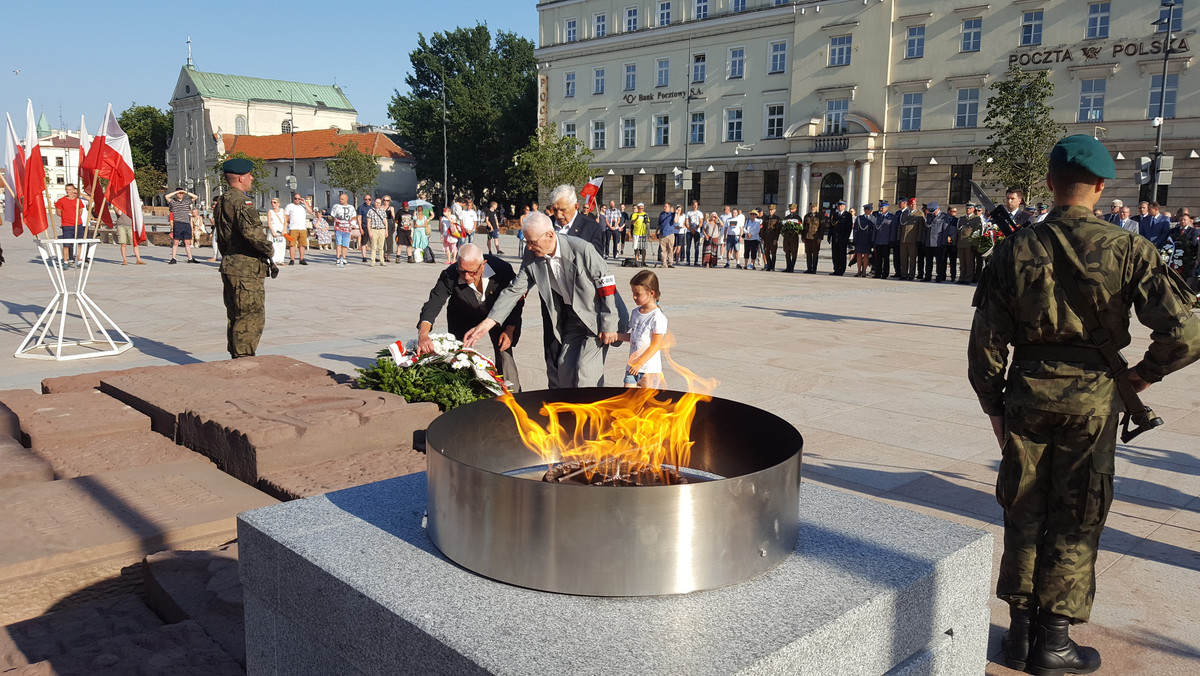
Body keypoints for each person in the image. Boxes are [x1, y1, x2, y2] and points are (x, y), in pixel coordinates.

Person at [969, 134, 1200, 675]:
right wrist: (1142, 375)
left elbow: (985, 344)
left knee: (1023, 508)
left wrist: (994, 407)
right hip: (1094, 401)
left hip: (1026, 397)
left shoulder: (1013, 248)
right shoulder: (1130, 249)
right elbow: (1187, 332)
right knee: (1079, 513)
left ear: (1048, 184)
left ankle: (1019, 635)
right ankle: (1054, 642)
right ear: (1100, 187)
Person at [464, 211, 626, 389]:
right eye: (527, 242)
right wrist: (487, 323)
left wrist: (609, 324)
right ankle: (569, 414)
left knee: (585, 372)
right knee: (564, 367)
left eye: (532, 242)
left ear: (550, 235)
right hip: (572, 320)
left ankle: (593, 415)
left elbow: (607, 285)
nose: (529, 247)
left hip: (598, 317)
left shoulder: (581, 249)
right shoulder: (532, 255)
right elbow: (515, 289)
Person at [417, 243, 523, 391]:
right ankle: (462, 391)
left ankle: (512, 395)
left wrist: (510, 329)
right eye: (462, 271)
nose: (466, 277)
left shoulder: (502, 270)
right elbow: (433, 303)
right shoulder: (450, 275)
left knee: (504, 350)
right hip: (462, 315)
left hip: (497, 315)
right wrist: (423, 334)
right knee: (459, 355)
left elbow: (516, 301)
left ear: (483, 265)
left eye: (471, 272)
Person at [213, 158, 274, 358]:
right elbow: (253, 234)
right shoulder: (242, 202)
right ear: (241, 178)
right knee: (250, 315)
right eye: (249, 175)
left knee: (235, 315)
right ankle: (244, 360)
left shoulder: (223, 200)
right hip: (245, 268)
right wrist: (269, 249)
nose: (252, 178)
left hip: (230, 263)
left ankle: (236, 357)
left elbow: (222, 237)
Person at [618, 270, 668, 389]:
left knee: (646, 404)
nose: (634, 297)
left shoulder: (657, 317)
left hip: (649, 371)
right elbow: (636, 336)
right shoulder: (635, 313)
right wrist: (617, 336)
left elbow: (656, 344)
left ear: (651, 293)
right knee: (628, 400)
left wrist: (640, 363)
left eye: (638, 294)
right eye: (633, 293)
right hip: (632, 367)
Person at [549, 184, 604, 253]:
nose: (558, 215)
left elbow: (596, 261)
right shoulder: (545, 223)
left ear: (576, 206)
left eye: (563, 210)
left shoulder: (591, 228)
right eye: (555, 210)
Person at [54, 184, 88, 265]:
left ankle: (79, 259)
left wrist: (75, 218)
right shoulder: (61, 200)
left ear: (74, 190)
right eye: (66, 189)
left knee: (79, 242)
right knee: (66, 244)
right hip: (67, 225)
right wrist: (66, 216)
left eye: (69, 189)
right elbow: (58, 212)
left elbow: (80, 211)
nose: (68, 191)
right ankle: (65, 260)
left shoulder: (78, 200)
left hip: (78, 224)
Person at [165, 188, 199, 264]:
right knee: (176, 242)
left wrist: (186, 192)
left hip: (186, 223)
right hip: (178, 223)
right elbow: (167, 196)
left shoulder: (186, 202)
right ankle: (173, 258)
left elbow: (195, 197)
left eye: (181, 193)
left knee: (187, 242)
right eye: (179, 193)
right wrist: (176, 192)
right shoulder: (173, 202)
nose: (180, 194)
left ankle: (190, 258)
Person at [955, 203, 982, 284]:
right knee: (962, 262)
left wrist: (974, 243)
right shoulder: (961, 218)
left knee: (969, 262)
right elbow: (958, 231)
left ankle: (968, 278)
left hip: (969, 243)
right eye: (967, 208)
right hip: (960, 242)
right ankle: (961, 277)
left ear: (973, 209)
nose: (968, 210)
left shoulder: (976, 219)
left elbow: (976, 231)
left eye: (970, 208)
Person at [284, 193, 312, 266]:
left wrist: (305, 203)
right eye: (295, 198)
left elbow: (310, 212)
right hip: (293, 228)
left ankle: (301, 259)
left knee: (302, 244)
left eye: (298, 199)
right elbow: (286, 217)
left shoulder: (303, 206)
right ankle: (292, 259)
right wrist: (285, 227)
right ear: (293, 199)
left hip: (302, 228)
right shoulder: (289, 206)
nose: (297, 200)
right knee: (292, 244)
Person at [329, 192, 356, 267]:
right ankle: (338, 258)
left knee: (345, 244)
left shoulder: (351, 208)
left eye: (342, 199)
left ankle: (343, 258)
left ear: (346, 199)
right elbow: (332, 216)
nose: (340, 200)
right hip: (339, 228)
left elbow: (354, 217)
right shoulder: (336, 206)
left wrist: (352, 224)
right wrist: (336, 221)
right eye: (340, 199)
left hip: (347, 229)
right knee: (339, 243)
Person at [829, 201, 852, 276]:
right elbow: (831, 227)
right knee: (835, 254)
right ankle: (836, 269)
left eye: (841, 206)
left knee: (842, 255)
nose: (839, 207)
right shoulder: (835, 215)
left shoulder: (848, 215)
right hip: (835, 237)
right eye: (838, 206)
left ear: (844, 206)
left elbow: (849, 228)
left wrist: (846, 238)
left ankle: (841, 270)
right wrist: (829, 236)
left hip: (842, 238)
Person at [872, 202, 895, 279]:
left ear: (887, 208)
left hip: (886, 241)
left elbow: (893, 230)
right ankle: (877, 273)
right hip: (878, 241)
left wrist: (891, 240)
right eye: (880, 208)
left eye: (882, 208)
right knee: (878, 259)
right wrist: (873, 239)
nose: (881, 209)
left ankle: (885, 273)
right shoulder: (878, 217)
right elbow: (875, 229)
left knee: (886, 258)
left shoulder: (891, 217)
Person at [853, 203, 876, 277]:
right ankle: (859, 270)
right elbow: (855, 230)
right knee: (859, 255)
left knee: (866, 255)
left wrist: (873, 240)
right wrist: (855, 239)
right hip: (860, 239)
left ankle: (864, 271)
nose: (868, 211)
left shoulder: (873, 219)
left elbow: (874, 231)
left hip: (868, 240)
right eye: (866, 210)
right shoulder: (859, 218)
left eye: (869, 210)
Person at [365, 197, 390, 266]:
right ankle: (373, 261)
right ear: (374, 203)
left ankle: (382, 260)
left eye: (379, 203)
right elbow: (368, 222)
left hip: (382, 229)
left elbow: (385, 221)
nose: (377, 204)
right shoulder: (370, 211)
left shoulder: (382, 211)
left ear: (380, 204)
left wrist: (386, 230)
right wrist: (369, 231)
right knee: (373, 246)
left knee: (381, 246)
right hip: (373, 229)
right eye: (376, 202)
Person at [802, 204, 823, 274]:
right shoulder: (807, 216)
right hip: (808, 237)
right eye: (811, 207)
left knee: (815, 254)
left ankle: (814, 268)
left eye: (814, 207)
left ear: (816, 208)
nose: (812, 208)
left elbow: (822, 228)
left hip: (815, 238)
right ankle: (809, 268)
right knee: (808, 253)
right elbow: (804, 227)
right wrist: (803, 237)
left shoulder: (820, 216)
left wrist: (820, 237)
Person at [760, 204, 782, 271]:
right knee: (766, 251)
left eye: (771, 210)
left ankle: (773, 266)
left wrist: (776, 239)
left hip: (773, 237)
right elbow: (763, 229)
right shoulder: (766, 218)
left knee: (773, 252)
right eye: (769, 210)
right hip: (766, 238)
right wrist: (762, 238)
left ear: (774, 210)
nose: (770, 211)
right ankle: (769, 266)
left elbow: (777, 230)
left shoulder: (777, 219)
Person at [266, 198, 288, 264]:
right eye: (272, 202)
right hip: (274, 230)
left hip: (281, 230)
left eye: (275, 202)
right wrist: (272, 231)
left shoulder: (282, 211)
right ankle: (274, 260)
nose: (273, 204)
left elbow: (285, 221)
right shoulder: (270, 212)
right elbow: (269, 222)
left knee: (281, 245)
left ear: (278, 204)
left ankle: (281, 260)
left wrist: (284, 229)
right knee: (274, 245)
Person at [684, 200, 704, 266]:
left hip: (697, 231)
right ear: (692, 205)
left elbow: (701, 222)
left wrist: (695, 229)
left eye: (696, 205)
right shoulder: (688, 213)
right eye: (694, 205)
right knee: (688, 247)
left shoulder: (700, 213)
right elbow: (686, 222)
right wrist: (690, 229)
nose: (695, 206)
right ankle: (687, 261)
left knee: (696, 246)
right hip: (689, 231)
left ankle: (696, 261)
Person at [657, 202, 676, 268]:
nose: (664, 208)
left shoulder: (673, 214)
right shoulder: (661, 214)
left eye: (666, 207)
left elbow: (676, 220)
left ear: (670, 208)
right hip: (662, 233)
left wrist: (677, 212)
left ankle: (670, 263)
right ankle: (664, 263)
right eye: (664, 206)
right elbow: (659, 223)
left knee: (670, 249)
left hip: (670, 234)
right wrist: (657, 231)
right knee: (663, 250)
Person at [356, 193, 373, 262]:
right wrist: (360, 228)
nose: (367, 201)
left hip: (372, 226)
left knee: (373, 242)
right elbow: (359, 218)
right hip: (364, 226)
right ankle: (364, 257)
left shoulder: (373, 207)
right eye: (366, 199)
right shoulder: (361, 207)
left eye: (369, 199)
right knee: (364, 242)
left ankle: (373, 256)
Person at [382, 196, 397, 262]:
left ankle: (388, 256)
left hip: (389, 223)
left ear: (389, 201)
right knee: (382, 240)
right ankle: (383, 255)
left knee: (389, 240)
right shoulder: (380, 207)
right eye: (385, 200)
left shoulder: (391, 208)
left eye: (387, 200)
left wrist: (394, 226)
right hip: (382, 223)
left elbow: (393, 218)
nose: (386, 202)